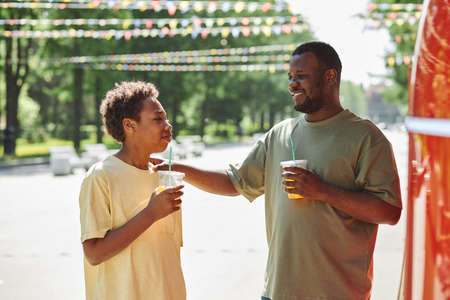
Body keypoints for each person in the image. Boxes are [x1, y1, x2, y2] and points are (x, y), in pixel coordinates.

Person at [152, 41, 402, 300]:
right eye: (290, 77)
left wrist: (323, 191)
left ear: (330, 77)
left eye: (302, 76)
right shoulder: (281, 134)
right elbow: (234, 182)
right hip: (277, 293)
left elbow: (390, 211)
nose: (293, 84)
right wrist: (177, 168)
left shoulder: (366, 138)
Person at [78, 81, 186, 300]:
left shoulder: (164, 176)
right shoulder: (100, 177)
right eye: (158, 119)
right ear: (130, 125)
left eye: (166, 118)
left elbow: (167, 252)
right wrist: (150, 214)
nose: (168, 125)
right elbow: (94, 253)